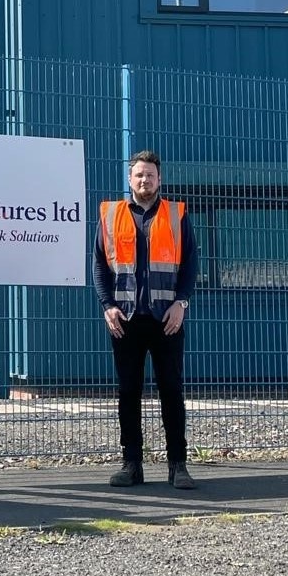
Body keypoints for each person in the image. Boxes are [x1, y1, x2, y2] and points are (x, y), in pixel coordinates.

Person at [93, 150, 198, 490]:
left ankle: (178, 466)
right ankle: (131, 465)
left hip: (166, 318)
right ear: (130, 179)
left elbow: (190, 265)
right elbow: (98, 264)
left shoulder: (176, 214)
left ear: (159, 179)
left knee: (171, 390)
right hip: (125, 319)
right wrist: (107, 304)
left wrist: (181, 303)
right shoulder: (112, 215)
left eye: (150, 175)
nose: (144, 180)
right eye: (139, 175)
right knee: (128, 392)